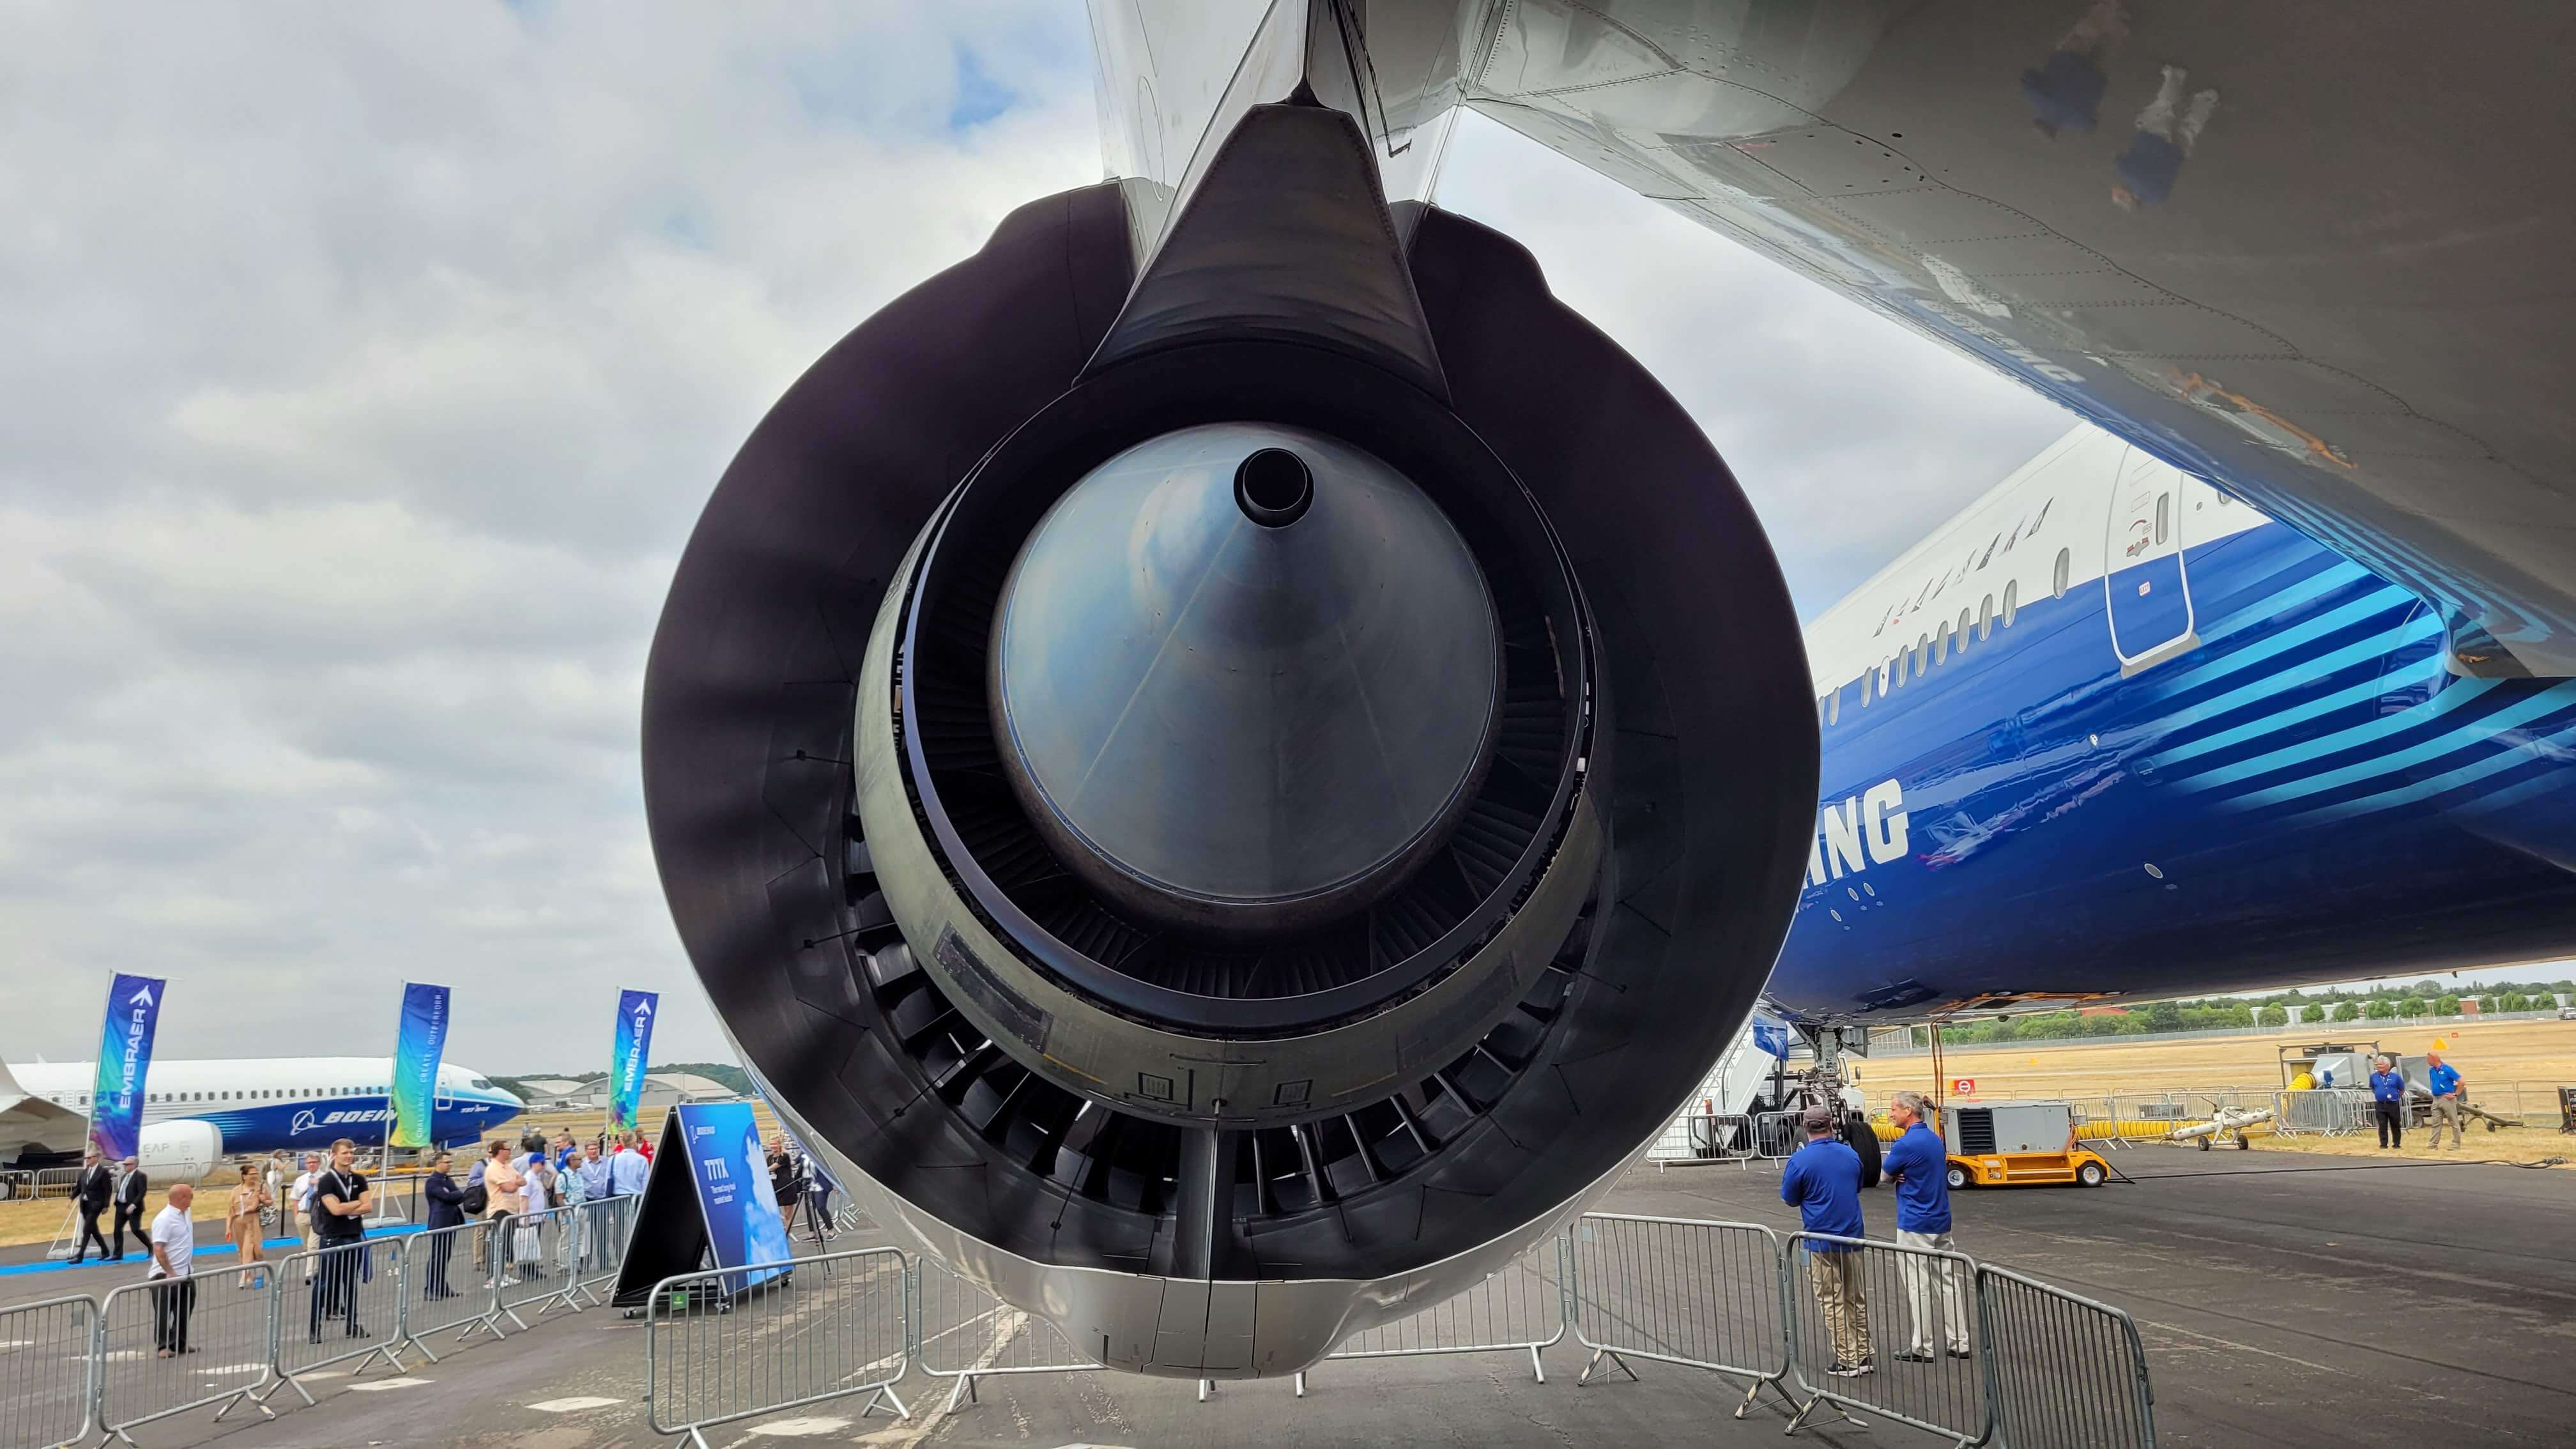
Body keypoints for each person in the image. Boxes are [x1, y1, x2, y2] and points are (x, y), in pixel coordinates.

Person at [1781, 1104, 1873, 1377]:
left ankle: (1847, 1358)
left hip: (1819, 1239)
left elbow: (1790, 1198)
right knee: (1855, 1296)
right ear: (1831, 1125)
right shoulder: (1851, 1154)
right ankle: (1864, 1353)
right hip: (1853, 1236)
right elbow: (1856, 1186)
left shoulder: (1799, 1161)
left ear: (1806, 1128)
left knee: (1831, 1300)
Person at [1881, 1092, 1971, 1363]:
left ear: (1909, 1111)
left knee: (1917, 1284)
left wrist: (1896, 1175)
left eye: (1894, 1109)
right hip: (1940, 1218)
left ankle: (1923, 1346)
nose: (1891, 1114)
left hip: (1915, 1222)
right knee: (1946, 1280)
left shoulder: (1905, 1144)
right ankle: (1960, 1341)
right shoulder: (1934, 1139)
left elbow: (1885, 1176)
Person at [2112, 64, 2220, 211]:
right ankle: (2175, 76)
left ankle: (2208, 99)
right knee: (2163, 108)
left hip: (2176, 153)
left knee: (2190, 129)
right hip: (2151, 139)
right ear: (2127, 195)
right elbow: (2119, 160)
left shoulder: (2158, 198)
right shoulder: (2126, 174)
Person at [2021, 0, 2125, 137]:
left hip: (2096, 76)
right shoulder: (2039, 98)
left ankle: (2119, 24)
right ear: (2038, 119)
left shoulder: (2078, 123)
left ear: (2056, 131)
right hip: (2068, 59)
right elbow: (2028, 77)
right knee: (2087, 32)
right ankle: (2109, 6)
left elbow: (2092, 123)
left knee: (2108, 47)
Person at [307, 1138, 373, 1343]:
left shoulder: (359, 1179)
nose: (349, 1156)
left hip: (353, 1235)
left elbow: (368, 1206)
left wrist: (346, 1206)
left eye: (351, 1152)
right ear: (334, 1155)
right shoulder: (327, 1181)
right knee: (325, 1283)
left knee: (350, 1283)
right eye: (345, 1153)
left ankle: (352, 1325)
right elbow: (334, 1210)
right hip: (332, 1238)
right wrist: (355, 1205)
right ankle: (314, 1329)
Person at [146, 1183, 197, 1357]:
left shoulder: (186, 1214)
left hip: (186, 1272)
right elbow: (159, 1249)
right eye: (190, 1195)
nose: (193, 1198)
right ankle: (163, 1346)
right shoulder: (164, 1219)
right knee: (164, 1311)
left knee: (184, 1310)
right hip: (164, 1274)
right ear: (181, 1198)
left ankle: (179, 1342)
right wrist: (169, 1271)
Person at [421, 1151, 465, 1299]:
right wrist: (454, 1195)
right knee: (437, 1257)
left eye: (451, 1162)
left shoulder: (448, 1180)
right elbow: (447, 1196)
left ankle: (441, 1287)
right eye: (447, 1163)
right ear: (438, 1163)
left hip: (451, 1221)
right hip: (440, 1223)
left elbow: (458, 1195)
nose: (450, 1165)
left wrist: (454, 1195)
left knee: (445, 1257)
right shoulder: (433, 1181)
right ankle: (431, 1289)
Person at [484, 1140, 526, 1287]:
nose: (510, 1152)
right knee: (497, 1243)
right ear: (500, 1151)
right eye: (508, 1149)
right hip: (499, 1210)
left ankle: (501, 1274)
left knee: (505, 1243)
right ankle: (493, 1276)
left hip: (511, 1209)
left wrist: (514, 1183)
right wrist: (515, 1183)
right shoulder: (494, 1168)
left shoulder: (508, 1167)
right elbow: (509, 1187)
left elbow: (523, 1180)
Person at [223, 1162, 269, 1289]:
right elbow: (230, 1213)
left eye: (256, 1174)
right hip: (238, 1223)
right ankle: (248, 1275)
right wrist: (228, 1228)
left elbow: (270, 1202)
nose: (255, 1176)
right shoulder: (236, 1191)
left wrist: (264, 1200)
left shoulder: (261, 1187)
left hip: (253, 1221)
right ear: (244, 1176)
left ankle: (243, 1277)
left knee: (251, 1249)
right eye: (252, 1174)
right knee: (242, 1251)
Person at [70, 1151, 114, 1264]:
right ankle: (105, 1251)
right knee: (93, 1229)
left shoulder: (103, 1172)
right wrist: (71, 1198)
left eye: (89, 1158)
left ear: (96, 1158)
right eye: (86, 1158)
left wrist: (106, 1205)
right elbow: (79, 1187)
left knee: (87, 1228)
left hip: (96, 1204)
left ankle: (80, 1255)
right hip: (85, 1204)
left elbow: (108, 1190)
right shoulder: (85, 1172)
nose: (87, 1160)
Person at [2425, 1051, 2468, 1149]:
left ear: (2434, 1059)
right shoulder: (2431, 1070)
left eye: (2428, 1059)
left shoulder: (2447, 1069)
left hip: (2447, 1099)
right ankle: (2433, 1144)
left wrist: (2456, 1094)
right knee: (2436, 1122)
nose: (2427, 1061)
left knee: (2453, 1121)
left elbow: (2461, 1081)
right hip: (2435, 1099)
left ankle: (2456, 1144)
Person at [112, 1156, 151, 1261]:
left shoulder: (141, 1176)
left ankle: (151, 1247)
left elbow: (142, 1192)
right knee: (117, 1230)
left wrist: (133, 1205)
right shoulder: (125, 1176)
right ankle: (117, 1254)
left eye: (127, 1164)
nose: (125, 1166)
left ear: (134, 1165)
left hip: (133, 1208)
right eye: (124, 1164)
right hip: (121, 1206)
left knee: (135, 1229)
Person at [768, 1134, 803, 1238]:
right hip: (775, 1187)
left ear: (779, 1145)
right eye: (771, 1144)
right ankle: (778, 1231)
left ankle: (787, 1234)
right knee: (774, 1212)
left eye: (775, 1144)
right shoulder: (770, 1158)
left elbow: (772, 1168)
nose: (773, 1146)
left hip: (787, 1187)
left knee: (788, 1214)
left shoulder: (784, 1156)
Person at [2369, 1055, 2407, 1149]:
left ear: (2387, 1066)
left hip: (2393, 1104)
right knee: (2382, 1125)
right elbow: (2373, 1088)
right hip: (2380, 1104)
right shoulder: (2373, 1077)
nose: (2379, 1067)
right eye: (2378, 1065)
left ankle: (2397, 1144)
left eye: (2381, 1065)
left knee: (2395, 1124)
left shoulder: (2395, 1077)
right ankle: (2383, 1144)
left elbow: (2401, 1089)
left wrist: (2396, 1097)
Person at [289, 1153, 321, 1248]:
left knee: (313, 1245)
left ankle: (312, 1264)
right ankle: (312, 1263)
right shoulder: (300, 1179)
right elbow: (295, 1199)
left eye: (314, 1162)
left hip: (318, 1214)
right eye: (309, 1163)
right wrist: (296, 1216)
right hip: (303, 1214)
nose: (312, 1164)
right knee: (306, 1245)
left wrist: (320, 1183)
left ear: (319, 1163)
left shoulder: (326, 1178)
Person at [608, 1132, 652, 1197]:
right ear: (634, 1143)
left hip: (618, 1198)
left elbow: (608, 1179)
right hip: (637, 1196)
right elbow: (646, 1182)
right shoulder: (642, 1160)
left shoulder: (613, 1159)